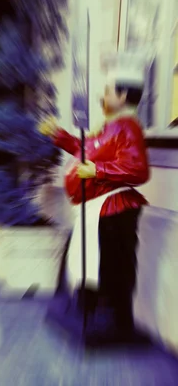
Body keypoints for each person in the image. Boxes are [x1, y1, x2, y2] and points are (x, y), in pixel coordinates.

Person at [39, 51, 150, 343]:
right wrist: (59, 135)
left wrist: (97, 170)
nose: (103, 96)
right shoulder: (111, 127)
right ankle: (91, 312)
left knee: (112, 266)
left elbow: (138, 169)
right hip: (98, 210)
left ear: (123, 94)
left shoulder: (129, 128)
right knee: (95, 264)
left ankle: (112, 320)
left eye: (108, 91)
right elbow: (85, 147)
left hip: (113, 210)